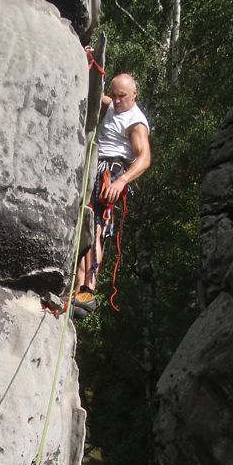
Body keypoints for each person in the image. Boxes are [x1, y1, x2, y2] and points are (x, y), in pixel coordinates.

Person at [73, 73, 151, 315]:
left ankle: (87, 287)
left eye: (122, 97)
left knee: (95, 226)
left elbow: (145, 158)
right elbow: (101, 97)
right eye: (114, 95)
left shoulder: (135, 123)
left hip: (112, 170)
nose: (116, 101)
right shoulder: (113, 106)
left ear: (134, 95)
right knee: (84, 222)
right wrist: (90, 65)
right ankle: (77, 286)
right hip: (95, 164)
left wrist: (122, 181)